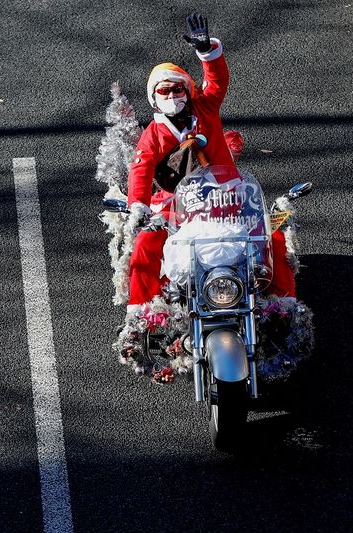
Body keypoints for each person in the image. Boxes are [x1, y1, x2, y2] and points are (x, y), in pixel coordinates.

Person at [126, 13, 295, 312]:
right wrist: (138, 207)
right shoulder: (153, 134)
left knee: (274, 238)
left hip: (228, 196)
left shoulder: (205, 107)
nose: (172, 95)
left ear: (188, 90)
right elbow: (141, 170)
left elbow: (217, 81)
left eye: (177, 88)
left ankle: (283, 308)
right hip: (178, 207)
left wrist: (207, 52)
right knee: (144, 245)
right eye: (164, 90)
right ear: (154, 98)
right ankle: (143, 316)